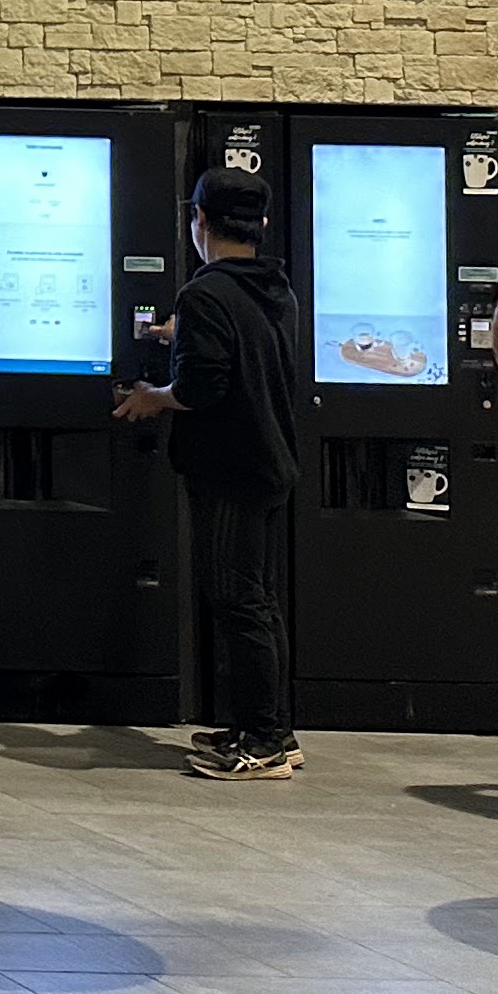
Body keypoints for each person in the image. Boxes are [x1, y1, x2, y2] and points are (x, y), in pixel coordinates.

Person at [114, 168, 310, 780]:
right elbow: (246, 343)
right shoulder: (274, 287)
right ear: (261, 226)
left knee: (238, 602)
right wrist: (184, 334)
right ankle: (273, 728)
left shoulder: (204, 294)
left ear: (199, 221)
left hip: (230, 469)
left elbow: (201, 389)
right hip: (271, 459)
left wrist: (151, 396)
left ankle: (263, 742)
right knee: (259, 600)